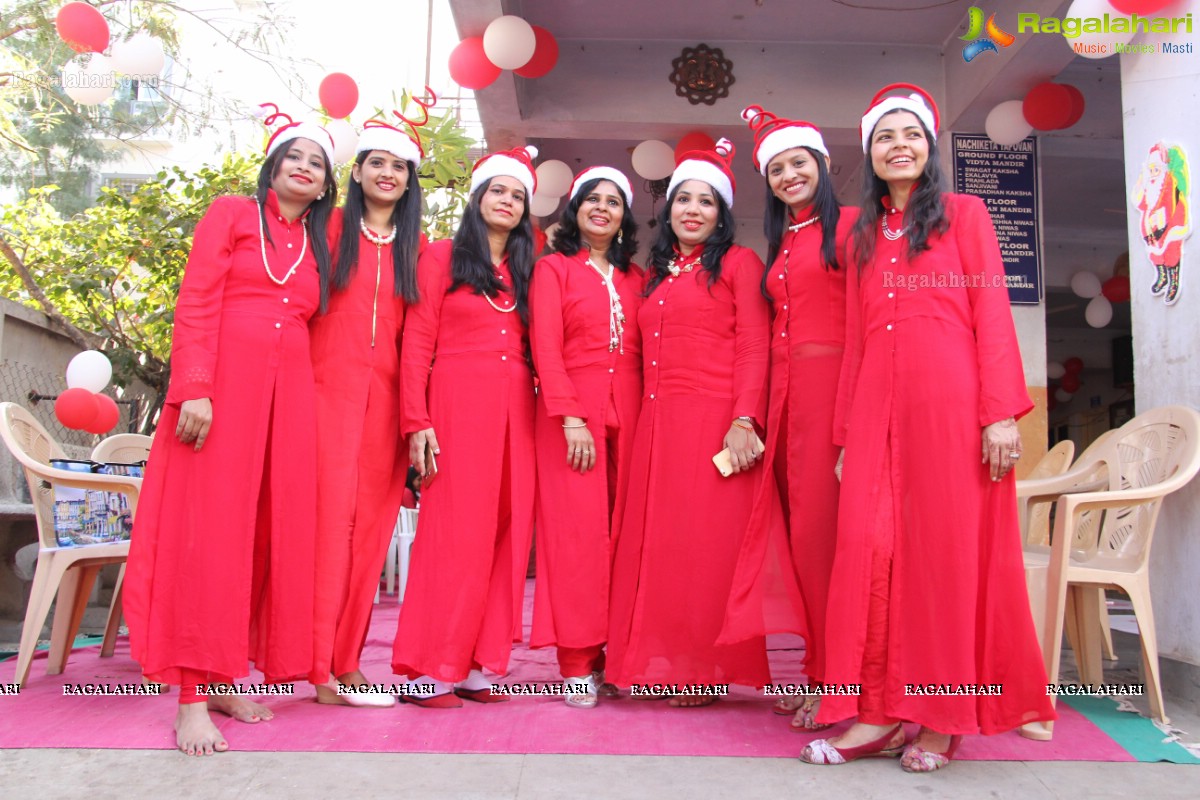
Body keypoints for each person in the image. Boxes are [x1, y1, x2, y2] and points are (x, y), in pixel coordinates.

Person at [800, 84, 1054, 770]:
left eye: (911, 133)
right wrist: (849, 435)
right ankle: (877, 715)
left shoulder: (964, 215)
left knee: (942, 559)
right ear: (871, 153)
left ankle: (941, 719)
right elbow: (854, 338)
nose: (899, 145)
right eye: (885, 136)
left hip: (951, 405)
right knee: (869, 552)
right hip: (877, 411)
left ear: (929, 145)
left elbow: (992, 311)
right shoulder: (861, 234)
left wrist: (999, 411)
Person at [123, 110, 337, 755]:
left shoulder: (319, 244)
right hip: (222, 391)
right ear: (273, 164)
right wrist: (194, 386)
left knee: (262, 536)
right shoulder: (231, 214)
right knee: (209, 536)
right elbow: (197, 298)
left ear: (327, 184)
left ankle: (225, 672)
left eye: (318, 162)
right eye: (294, 155)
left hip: (288, 398)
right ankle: (190, 697)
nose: (304, 166)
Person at [606, 139, 772, 707]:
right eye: (684, 200)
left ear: (722, 213)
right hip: (657, 422)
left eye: (707, 202)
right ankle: (661, 662)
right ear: (669, 208)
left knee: (706, 548)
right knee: (661, 545)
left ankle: (705, 667)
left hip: (713, 420)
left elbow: (754, 344)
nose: (693, 210)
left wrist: (744, 419)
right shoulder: (657, 275)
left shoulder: (738, 264)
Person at [391, 146, 539, 707]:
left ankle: (479, 661)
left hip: (516, 409)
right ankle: (430, 668)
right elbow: (417, 341)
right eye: (498, 191)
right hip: (456, 402)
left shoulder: (525, 269)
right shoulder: (441, 257)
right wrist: (416, 419)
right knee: (453, 535)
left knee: (505, 534)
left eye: (518, 195)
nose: (507, 201)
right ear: (478, 198)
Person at [724, 106, 857, 731]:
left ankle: (843, 683)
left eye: (797, 162)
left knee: (833, 549)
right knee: (803, 549)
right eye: (775, 169)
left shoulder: (856, 228)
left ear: (822, 165)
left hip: (834, 400)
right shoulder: (781, 246)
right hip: (786, 412)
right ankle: (817, 673)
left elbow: (866, 328)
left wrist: (854, 424)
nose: (787, 175)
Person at [308, 108, 429, 708]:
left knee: (370, 535)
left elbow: (418, 345)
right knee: (325, 531)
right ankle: (313, 664)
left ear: (410, 181)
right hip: (321, 398)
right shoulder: (325, 229)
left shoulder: (418, 248)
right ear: (356, 174)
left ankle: (346, 662)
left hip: (384, 412)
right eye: (376, 162)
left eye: (398, 166)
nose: (387, 173)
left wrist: (415, 422)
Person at [529, 167, 643, 708]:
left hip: (635, 416)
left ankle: (618, 657)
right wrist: (571, 416)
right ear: (574, 210)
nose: (602, 208)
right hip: (570, 417)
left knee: (627, 539)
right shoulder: (554, 269)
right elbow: (545, 346)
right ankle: (576, 662)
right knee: (576, 540)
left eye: (613, 202)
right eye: (591, 199)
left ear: (624, 217)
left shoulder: (637, 278)